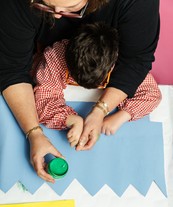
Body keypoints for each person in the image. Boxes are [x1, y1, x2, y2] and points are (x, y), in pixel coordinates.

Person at [0, 0, 160, 183]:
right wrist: (35, 132)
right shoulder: (54, 58)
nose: (57, 14)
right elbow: (12, 70)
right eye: (44, 4)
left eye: (70, 8)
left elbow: (136, 63)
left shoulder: (134, 11)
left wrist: (104, 110)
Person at [34, 22, 161, 148]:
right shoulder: (55, 57)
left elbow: (151, 94)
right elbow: (43, 98)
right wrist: (71, 120)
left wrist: (120, 117)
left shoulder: (120, 64)